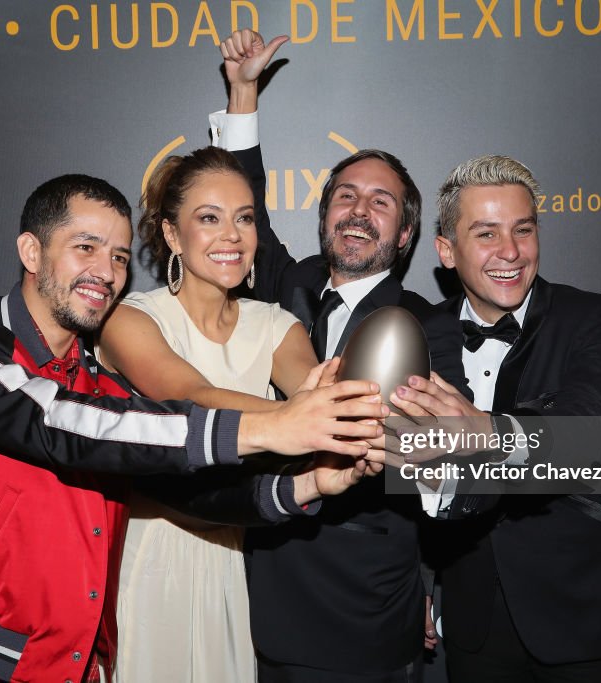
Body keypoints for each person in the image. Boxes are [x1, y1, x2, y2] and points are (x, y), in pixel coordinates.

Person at [0, 174, 388, 683]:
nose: (105, 272)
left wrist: (308, 483)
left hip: (77, 664)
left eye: (120, 258)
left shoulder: (100, 386)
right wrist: (274, 425)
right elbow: (60, 423)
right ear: (31, 252)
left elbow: (185, 492)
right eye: (86, 247)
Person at [210, 30, 470, 682]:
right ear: (325, 214)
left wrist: (430, 580)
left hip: (367, 613)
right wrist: (243, 93)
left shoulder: (432, 327)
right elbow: (249, 213)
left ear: (406, 234)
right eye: (346, 196)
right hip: (263, 597)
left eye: (380, 203)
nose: (359, 210)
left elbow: (448, 465)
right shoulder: (285, 284)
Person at [97, 147, 374, 682]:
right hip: (145, 563)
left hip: (231, 566)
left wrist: (355, 406)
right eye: (209, 218)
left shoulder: (275, 325)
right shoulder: (130, 319)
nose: (232, 234)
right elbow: (192, 394)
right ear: (173, 235)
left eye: (244, 218)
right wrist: (297, 417)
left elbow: (321, 399)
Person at [385, 155, 601, 682]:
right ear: (446, 250)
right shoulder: (420, 333)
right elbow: (410, 475)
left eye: (523, 230)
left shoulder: (597, 318)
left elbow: (590, 430)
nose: (510, 252)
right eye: (486, 233)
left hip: (584, 615)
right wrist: (417, 582)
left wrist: (485, 430)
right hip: (474, 621)